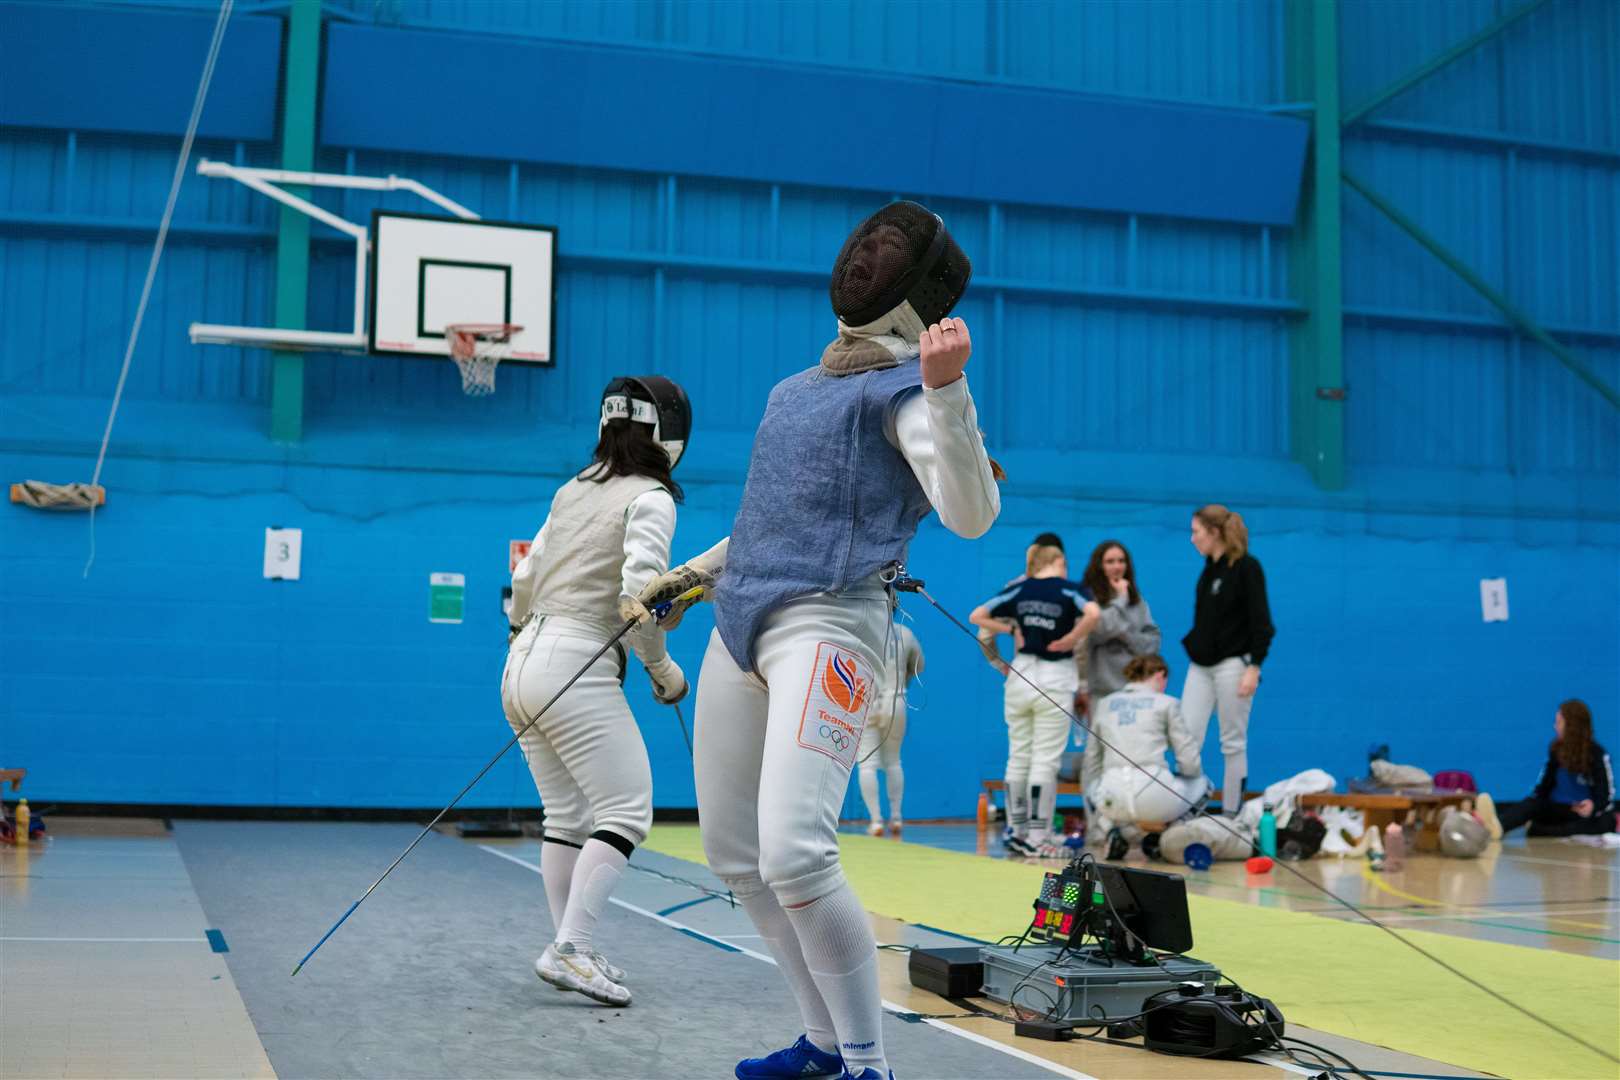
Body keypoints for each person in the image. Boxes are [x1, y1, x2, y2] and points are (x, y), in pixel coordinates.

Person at [629, 201, 995, 1080]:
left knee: (796, 849)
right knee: (735, 854)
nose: (869, 257)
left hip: (831, 623)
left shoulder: (906, 392)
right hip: (740, 621)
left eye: (888, 254)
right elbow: (766, 523)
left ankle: (871, 1065)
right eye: (868, 245)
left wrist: (948, 393)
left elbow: (971, 514)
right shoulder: (792, 392)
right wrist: (689, 575)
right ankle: (825, 1048)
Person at [500, 376, 692, 1007]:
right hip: (574, 660)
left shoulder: (573, 488)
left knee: (569, 817)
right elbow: (637, 603)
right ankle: (571, 948)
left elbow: (524, 580)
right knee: (628, 810)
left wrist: (526, 641)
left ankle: (570, 946)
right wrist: (665, 672)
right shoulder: (652, 497)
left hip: (520, 662)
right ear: (666, 432)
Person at [971, 543, 1095, 857]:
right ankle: (1039, 835)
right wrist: (1070, 638)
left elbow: (978, 615)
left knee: (1019, 754)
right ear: (1059, 562)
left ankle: (1016, 829)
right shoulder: (1069, 590)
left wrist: (1011, 629)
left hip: (1020, 676)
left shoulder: (1019, 589)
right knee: (1045, 759)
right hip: (1054, 677)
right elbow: (1094, 613)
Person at [1181, 504, 1274, 816]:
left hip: (1233, 664)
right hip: (1201, 665)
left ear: (1214, 532)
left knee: (1232, 742)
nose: (1192, 539)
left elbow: (1262, 623)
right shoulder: (1208, 570)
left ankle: (1232, 813)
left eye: (1196, 532)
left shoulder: (1248, 568)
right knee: (1187, 737)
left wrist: (1253, 666)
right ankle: (1188, 807)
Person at [1082, 655, 1210, 859]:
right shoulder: (1167, 703)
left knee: (1092, 786)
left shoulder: (1105, 704)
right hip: (1154, 793)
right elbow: (1188, 758)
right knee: (1204, 784)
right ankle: (1161, 839)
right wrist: (1183, 778)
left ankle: (1115, 833)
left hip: (1111, 799)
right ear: (1160, 675)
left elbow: (1091, 760)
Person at [1485, 700, 1616, 837]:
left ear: (1572, 726)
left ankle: (1540, 830)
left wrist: (1593, 807)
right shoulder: (1556, 750)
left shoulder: (1597, 754)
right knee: (1532, 805)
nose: (1555, 726)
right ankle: (1497, 825)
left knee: (1605, 823)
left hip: (1585, 814)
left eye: (1559, 722)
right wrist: (1528, 808)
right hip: (1561, 809)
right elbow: (1542, 788)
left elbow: (1606, 794)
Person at [1074, 539, 1162, 721]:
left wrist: (1124, 634)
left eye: (1121, 561)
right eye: (1110, 561)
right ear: (1099, 565)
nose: (1117, 566)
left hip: (1134, 688)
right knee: (1099, 745)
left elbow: (1152, 644)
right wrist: (1121, 599)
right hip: (1100, 690)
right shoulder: (1087, 600)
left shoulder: (1138, 603)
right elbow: (1099, 630)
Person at [859, 606, 924, 837]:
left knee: (867, 764)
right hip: (897, 700)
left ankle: (876, 820)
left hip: (866, 699)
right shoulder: (905, 632)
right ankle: (896, 817)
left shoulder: (859, 630)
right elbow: (919, 665)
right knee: (893, 762)